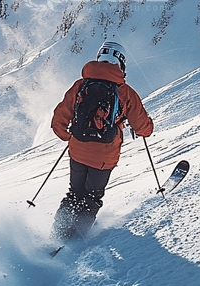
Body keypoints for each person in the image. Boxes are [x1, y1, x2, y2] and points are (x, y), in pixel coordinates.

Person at [51, 40, 153, 240]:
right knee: (92, 197)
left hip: (78, 150)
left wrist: (69, 137)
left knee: (74, 193)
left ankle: (57, 234)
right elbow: (143, 128)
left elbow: (58, 119)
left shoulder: (80, 85)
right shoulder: (125, 92)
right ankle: (76, 238)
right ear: (121, 63)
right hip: (104, 157)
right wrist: (147, 128)